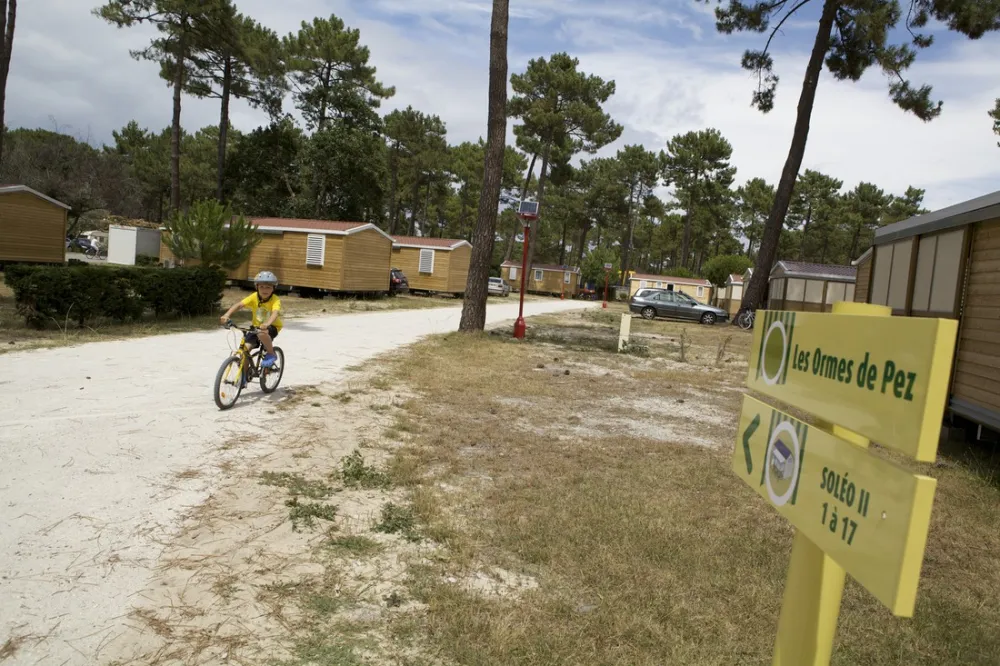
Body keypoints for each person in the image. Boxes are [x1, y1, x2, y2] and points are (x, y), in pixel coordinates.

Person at [219, 270, 282, 370]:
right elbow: (239, 305)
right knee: (245, 350)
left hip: (272, 326)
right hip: (256, 327)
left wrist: (267, 323)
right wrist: (227, 315)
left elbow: (275, 313)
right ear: (256, 287)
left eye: (268, 287)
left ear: (273, 288)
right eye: (261, 287)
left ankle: (271, 353)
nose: (264, 290)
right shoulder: (254, 297)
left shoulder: (275, 299)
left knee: (261, 333)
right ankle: (243, 377)